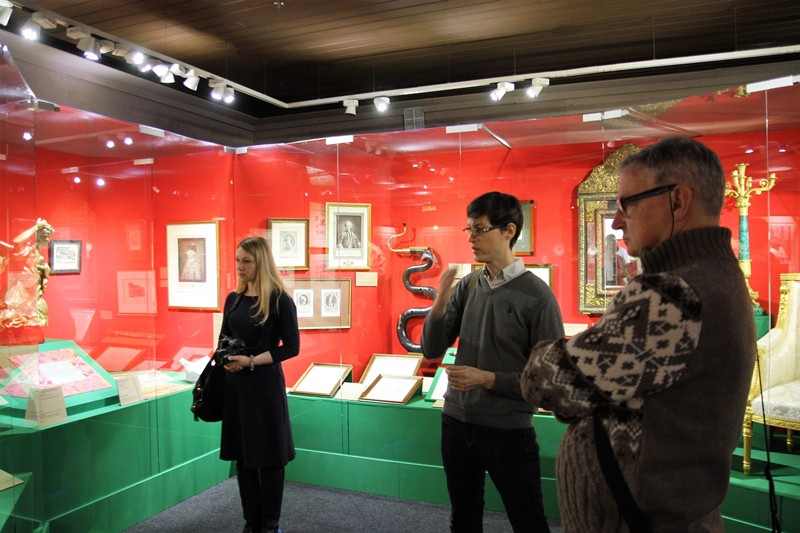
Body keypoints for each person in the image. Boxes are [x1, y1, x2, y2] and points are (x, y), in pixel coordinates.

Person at [520, 136, 756, 531]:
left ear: (677, 201)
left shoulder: (675, 294)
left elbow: (543, 382)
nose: (616, 221)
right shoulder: (712, 276)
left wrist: (556, 356)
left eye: (626, 203)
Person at [421, 191, 565, 532]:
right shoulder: (469, 285)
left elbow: (551, 381)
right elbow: (431, 347)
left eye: (480, 229)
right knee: (463, 518)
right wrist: (439, 302)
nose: (471, 238)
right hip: (456, 422)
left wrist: (487, 379)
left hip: (508, 429)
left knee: (528, 521)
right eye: (469, 229)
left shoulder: (538, 297)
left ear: (509, 231)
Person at [218, 236, 300, 533]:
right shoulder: (234, 298)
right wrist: (226, 359)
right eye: (237, 260)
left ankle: (269, 526)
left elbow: (291, 347)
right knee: (244, 456)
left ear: (261, 262)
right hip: (237, 387)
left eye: (247, 261)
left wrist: (251, 361)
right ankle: (251, 523)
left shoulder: (280, 300)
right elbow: (223, 337)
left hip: (264, 387)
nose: (240, 266)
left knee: (270, 459)